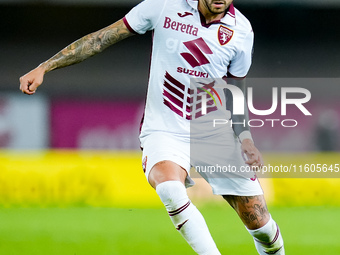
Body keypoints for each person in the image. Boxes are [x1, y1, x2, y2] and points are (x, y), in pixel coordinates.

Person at [19, 0, 285, 254]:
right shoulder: (163, 6)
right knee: (170, 188)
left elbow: (235, 91)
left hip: (213, 133)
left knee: (261, 226)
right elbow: (101, 39)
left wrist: (246, 139)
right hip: (164, 129)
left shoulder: (241, 29)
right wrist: (45, 66)